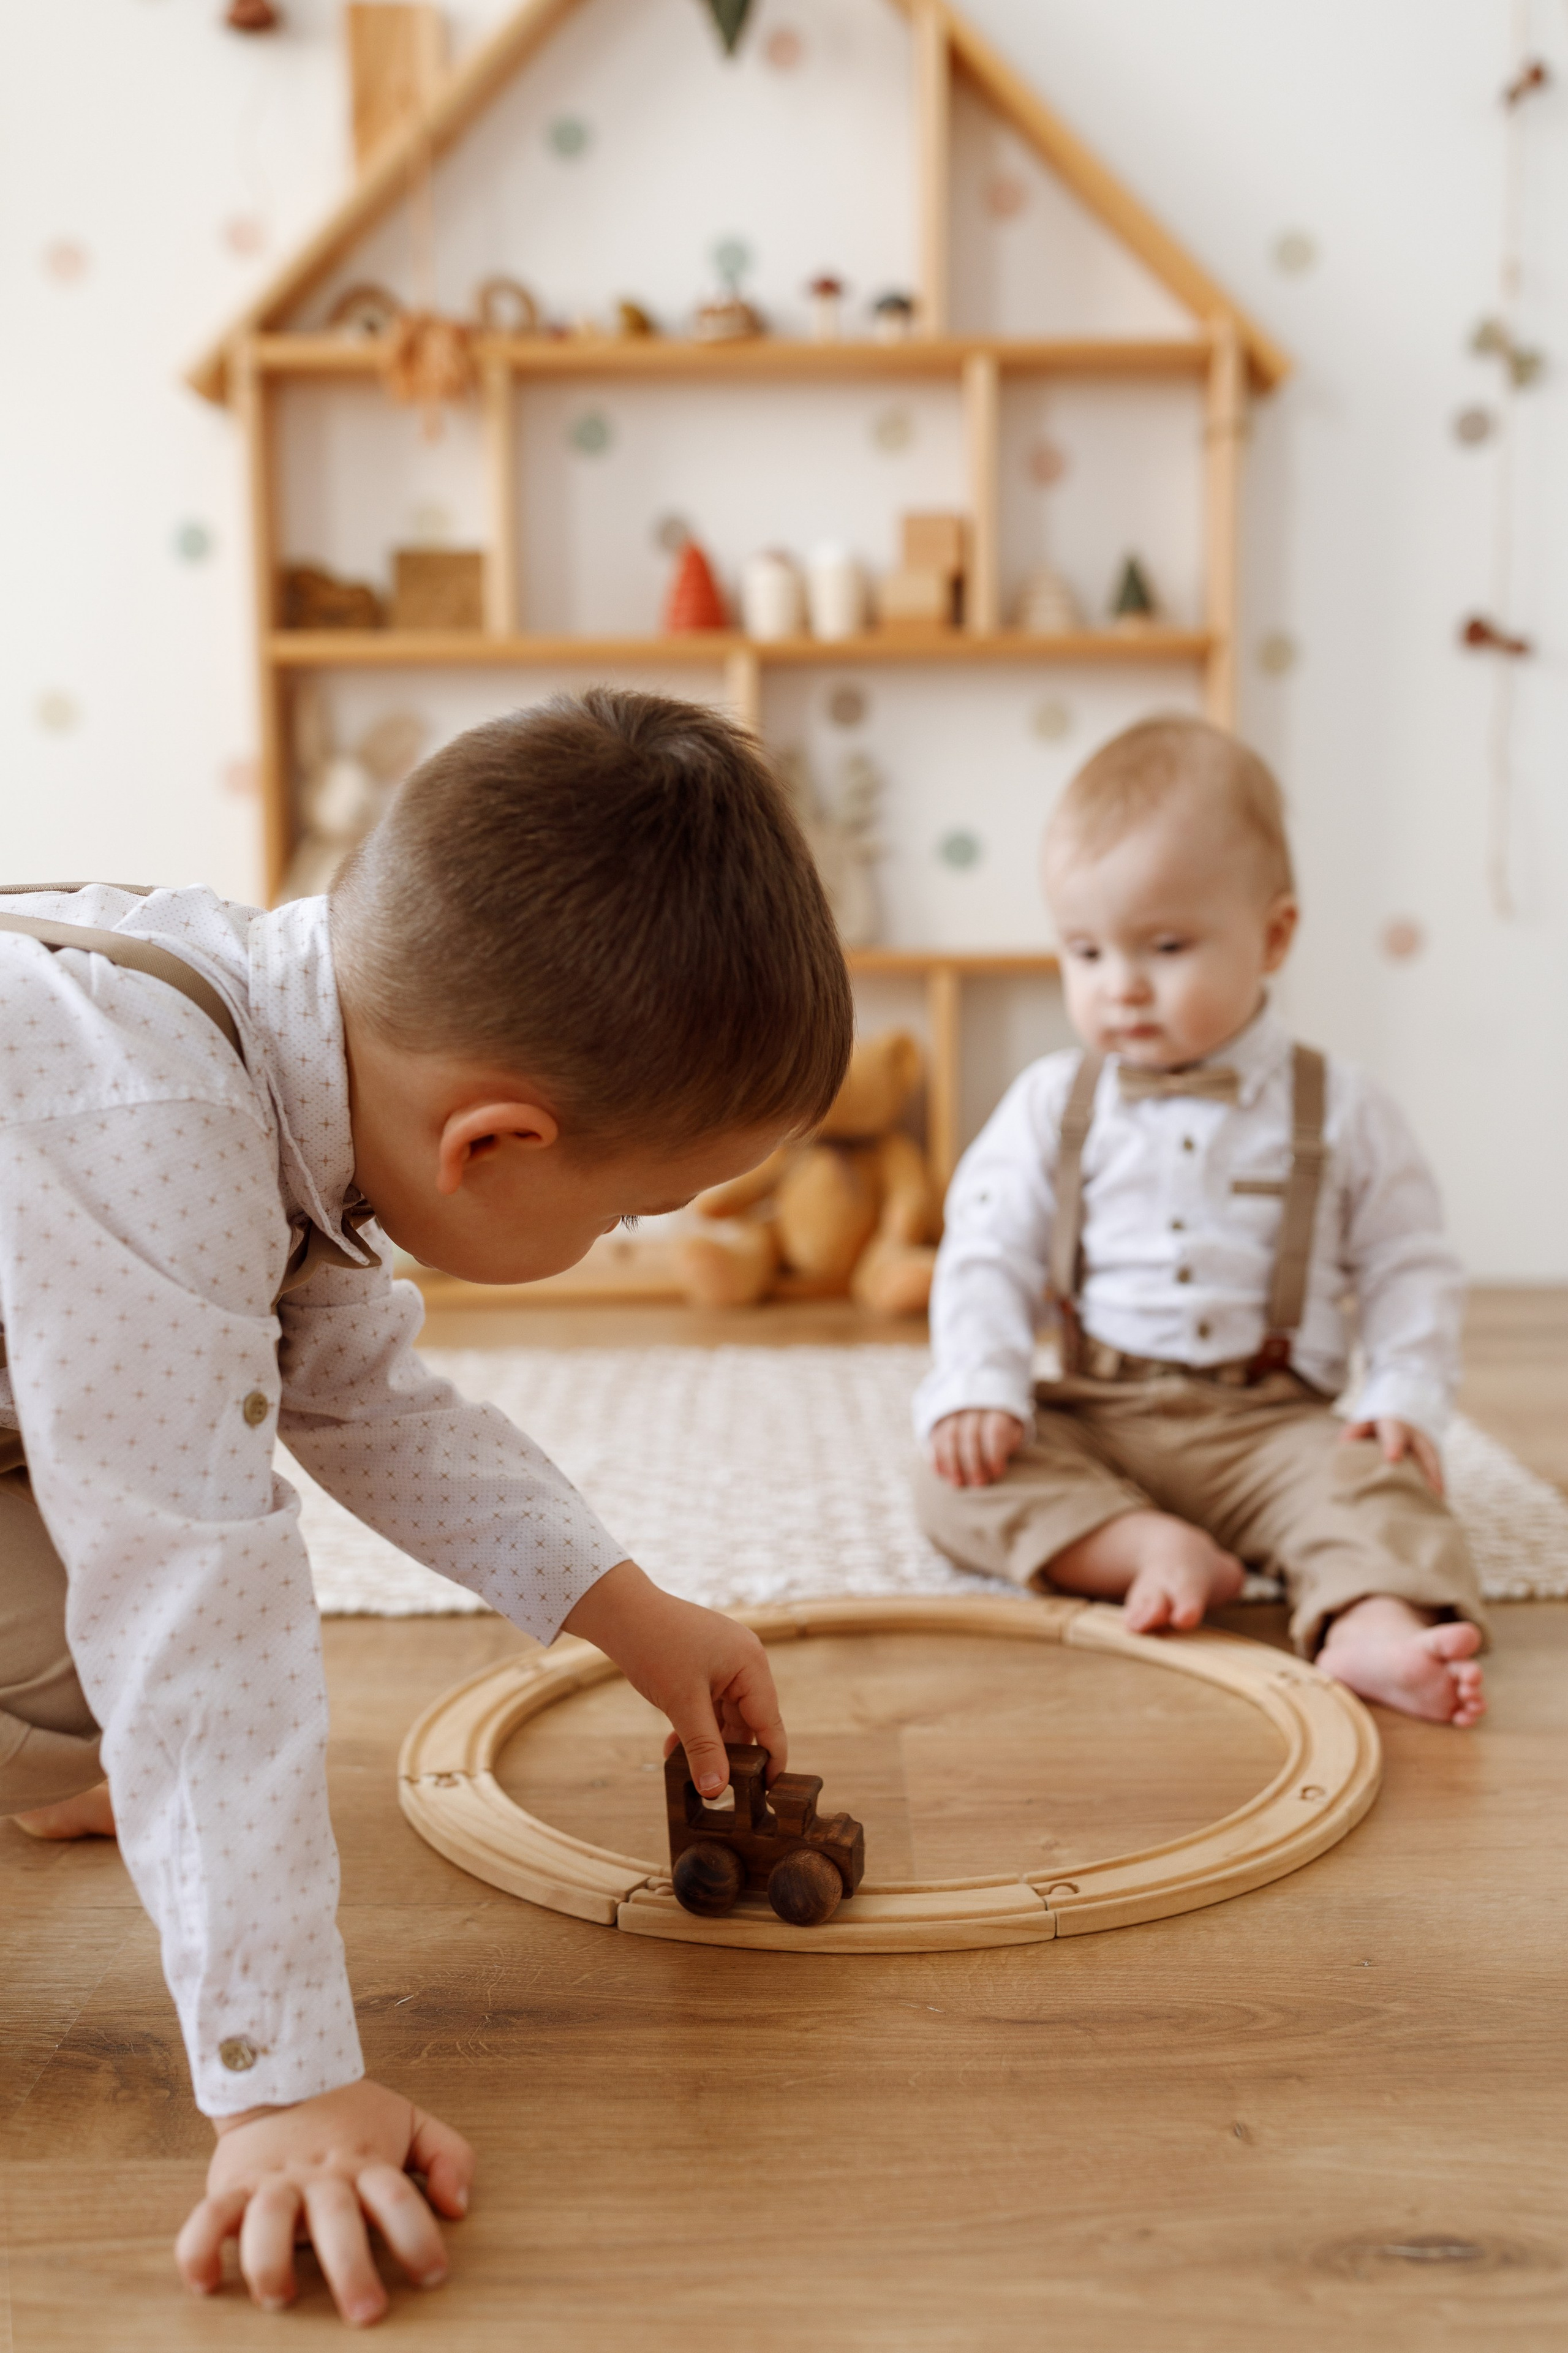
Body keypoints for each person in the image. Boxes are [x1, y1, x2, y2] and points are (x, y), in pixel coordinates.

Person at [0, 688, 852, 2325]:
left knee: (81, 1674)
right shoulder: (157, 1122)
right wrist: (284, 2087)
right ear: (494, 1141)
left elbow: (362, 1399)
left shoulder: (291, 1045)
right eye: (624, 1213)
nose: (622, 1239)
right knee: (143, 1632)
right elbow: (192, 1584)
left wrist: (624, 1605)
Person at [914, 714, 1487, 1729]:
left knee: (1383, 1490)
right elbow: (988, 1255)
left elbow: (1409, 1263)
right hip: (1102, 1411)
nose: (1120, 985)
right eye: (1085, 950)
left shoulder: (1343, 1107)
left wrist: (1403, 1392)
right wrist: (981, 1384)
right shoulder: (1053, 1101)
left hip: (1275, 1425)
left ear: (1273, 935)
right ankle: (1144, 1545)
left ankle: (1370, 1623)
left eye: (1165, 946)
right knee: (953, 1479)